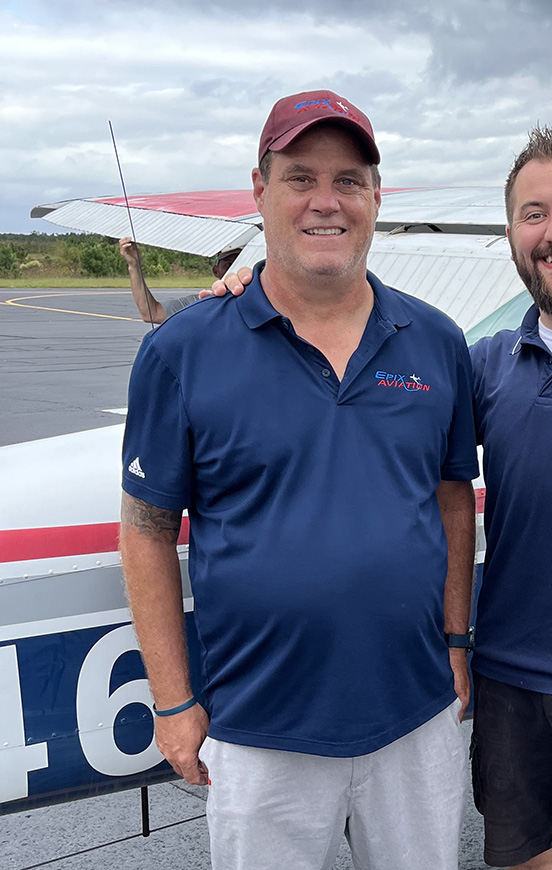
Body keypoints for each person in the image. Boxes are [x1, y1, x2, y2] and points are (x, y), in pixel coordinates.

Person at [212, 126, 552, 870]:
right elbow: (388, 387)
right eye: (534, 214)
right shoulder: (484, 364)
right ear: (511, 235)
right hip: (508, 686)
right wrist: (252, 292)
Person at [119, 89, 477, 870]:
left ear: (377, 197)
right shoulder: (183, 349)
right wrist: (174, 700)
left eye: (350, 180)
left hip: (414, 719)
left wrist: (457, 640)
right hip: (256, 730)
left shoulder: (438, 342)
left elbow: (454, 497)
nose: (327, 201)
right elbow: (146, 530)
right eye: (300, 177)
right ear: (260, 189)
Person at [120, 236, 241, 324]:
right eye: (229, 264)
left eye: (240, 263)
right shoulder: (200, 302)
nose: (235, 270)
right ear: (216, 271)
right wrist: (133, 266)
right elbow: (152, 313)